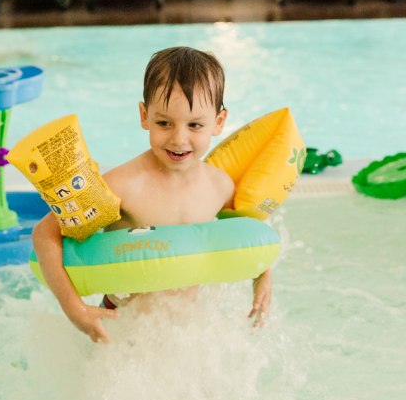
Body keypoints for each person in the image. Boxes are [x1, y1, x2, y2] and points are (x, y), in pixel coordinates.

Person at [32, 47, 274, 343]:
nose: (179, 138)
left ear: (219, 122)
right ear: (144, 116)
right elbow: (45, 233)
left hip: (188, 328)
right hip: (123, 327)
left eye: (195, 125)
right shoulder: (123, 184)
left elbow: (244, 236)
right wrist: (74, 308)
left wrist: (263, 275)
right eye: (164, 123)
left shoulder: (219, 186)